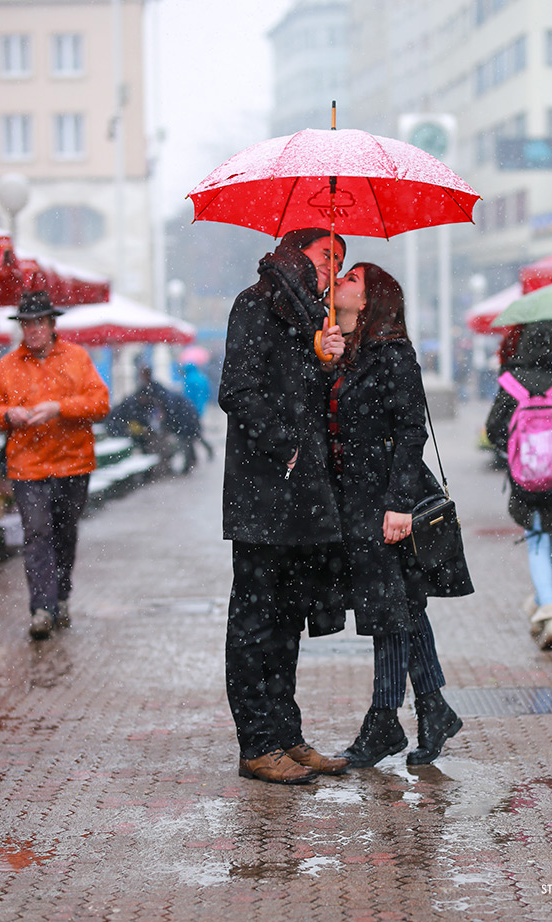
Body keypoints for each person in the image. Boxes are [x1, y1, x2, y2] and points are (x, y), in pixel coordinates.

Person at [326, 262, 473, 767]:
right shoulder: (349, 353)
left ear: (368, 300)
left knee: (391, 609)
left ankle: (385, 720)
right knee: (402, 607)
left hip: (387, 500)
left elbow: (412, 431)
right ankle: (433, 710)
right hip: (358, 500)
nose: (338, 280)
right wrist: (327, 360)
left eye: (350, 279)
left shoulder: (393, 353)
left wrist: (398, 505)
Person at [218, 227, 351, 785]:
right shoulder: (255, 305)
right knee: (255, 622)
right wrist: (288, 447)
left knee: (288, 624)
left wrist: (326, 365)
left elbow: (306, 398)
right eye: (326, 256)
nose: (333, 271)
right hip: (263, 495)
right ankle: (257, 745)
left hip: (303, 500)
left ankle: (286, 735)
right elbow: (237, 390)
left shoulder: (311, 319)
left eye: (340, 262)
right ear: (297, 253)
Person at [0, 290, 110, 640]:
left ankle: (61, 596)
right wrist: (9, 414)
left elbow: (100, 403)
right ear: (22, 327)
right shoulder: (8, 365)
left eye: (39, 322)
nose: (33, 329)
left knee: (65, 534)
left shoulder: (77, 358)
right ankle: (42, 608)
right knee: (37, 534)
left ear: (52, 324)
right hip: (28, 468)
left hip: (73, 464)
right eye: (27, 324)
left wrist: (59, 407)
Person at [486, 321, 552, 650]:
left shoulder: (512, 381)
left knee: (534, 537)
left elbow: (493, 429)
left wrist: (516, 449)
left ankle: (549, 608)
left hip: (525, 476)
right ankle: (543, 602)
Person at [106, 367, 213, 472]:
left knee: (187, 438)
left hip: (184, 415)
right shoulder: (153, 390)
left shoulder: (153, 392)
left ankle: (190, 463)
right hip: (188, 411)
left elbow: (167, 407)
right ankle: (193, 460)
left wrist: (165, 421)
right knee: (191, 436)